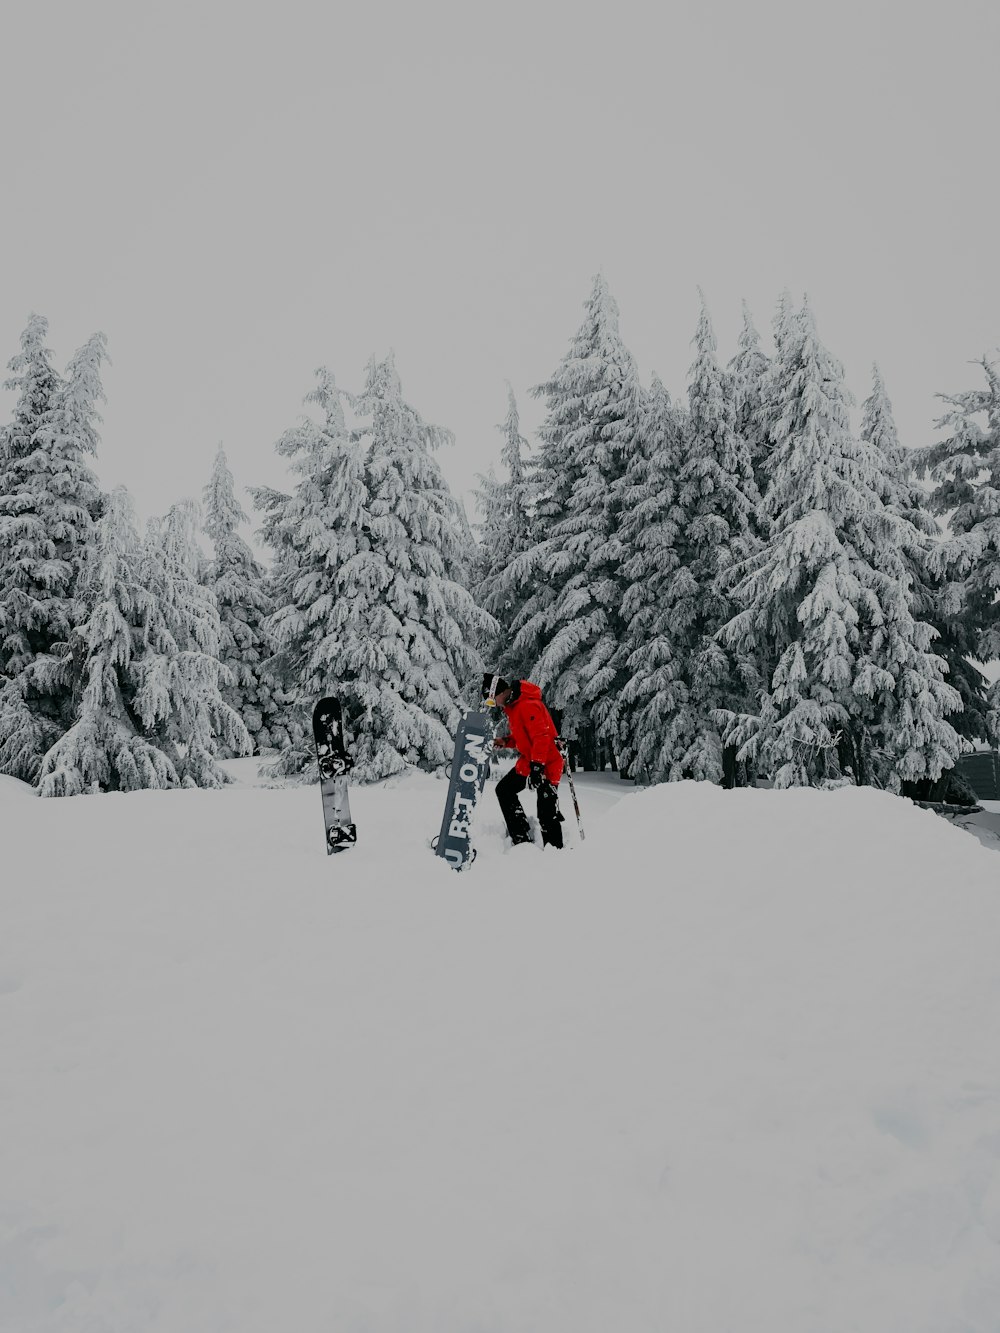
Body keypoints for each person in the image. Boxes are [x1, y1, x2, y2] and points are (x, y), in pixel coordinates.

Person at [482, 673, 564, 849]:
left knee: (546, 812)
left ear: (500, 692)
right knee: (504, 790)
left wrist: (537, 768)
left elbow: (541, 737)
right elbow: (524, 737)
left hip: (547, 763)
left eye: (491, 701)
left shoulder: (528, 705)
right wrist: (506, 741)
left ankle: (556, 852)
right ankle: (521, 837)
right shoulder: (515, 707)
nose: (493, 705)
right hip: (531, 761)